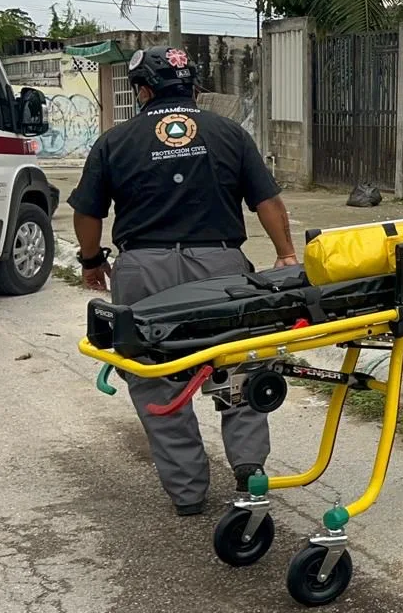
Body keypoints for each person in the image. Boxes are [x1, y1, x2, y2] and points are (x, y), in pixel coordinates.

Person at [68, 45, 297, 517]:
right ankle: (250, 469)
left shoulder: (115, 141)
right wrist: (285, 253)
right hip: (221, 269)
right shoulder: (229, 133)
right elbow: (267, 202)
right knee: (239, 362)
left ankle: (188, 493)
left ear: (143, 90)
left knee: (155, 377)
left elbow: (87, 211)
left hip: (143, 270)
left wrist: (91, 261)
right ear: (192, 86)